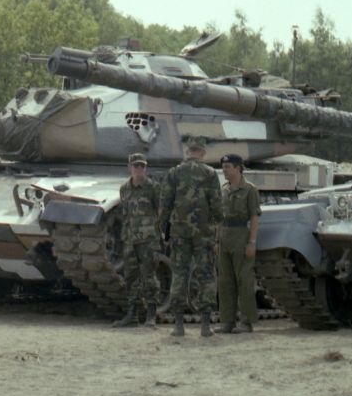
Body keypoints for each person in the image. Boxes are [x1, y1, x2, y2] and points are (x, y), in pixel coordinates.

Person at [159, 135, 220, 337]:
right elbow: (217, 205)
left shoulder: (174, 173)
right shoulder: (210, 173)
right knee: (206, 275)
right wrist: (217, 229)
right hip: (203, 233)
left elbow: (165, 204)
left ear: (187, 152)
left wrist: (163, 230)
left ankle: (178, 325)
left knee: (179, 274)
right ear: (202, 152)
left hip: (179, 232)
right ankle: (205, 325)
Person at [111, 153, 161, 328]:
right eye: (136, 166)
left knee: (149, 277)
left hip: (148, 240)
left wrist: (160, 236)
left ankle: (151, 315)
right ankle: (131, 315)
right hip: (130, 239)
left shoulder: (153, 188)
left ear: (145, 168)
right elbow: (123, 213)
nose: (139, 169)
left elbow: (161, 212)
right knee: (130, 277)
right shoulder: (124, 188)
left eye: (142, 166)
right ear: (129, 167)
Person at [216, 153, 261, 333]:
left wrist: (252, 242)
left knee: (244, 280)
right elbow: (218, 217)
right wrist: (217, 239)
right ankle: (227, 321)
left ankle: (246, 321)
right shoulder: (224, 189)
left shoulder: (250, 189)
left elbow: (254, 217)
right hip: (225, 235)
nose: (224, 170)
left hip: (241, 234)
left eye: (227, 167)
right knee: (225, 281)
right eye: (223, 167)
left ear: (237, 168)